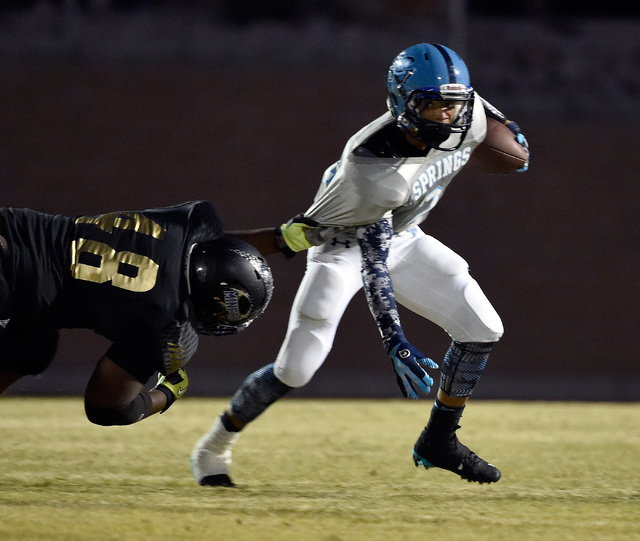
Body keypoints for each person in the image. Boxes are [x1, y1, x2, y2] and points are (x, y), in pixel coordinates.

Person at [191, 43, 530, 486]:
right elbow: (374, 262)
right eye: (432, 107)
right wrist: (395, 339)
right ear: (402, 104)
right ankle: (212, 449)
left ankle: (438, 439)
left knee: (483, 327)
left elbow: (513, 145)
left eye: (454, 106)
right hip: (341, 242)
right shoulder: (371, 169)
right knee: (298, 366)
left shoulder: (470, 116)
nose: (447, 119)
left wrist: (511, 140)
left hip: (405, 237)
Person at [0, 200, 274, 426]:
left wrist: (281, 239)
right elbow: (107, 409)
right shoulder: (166, 325)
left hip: (11, 228)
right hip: (9, 285)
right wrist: (167, 393)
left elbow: (221, 246)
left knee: (32, 348)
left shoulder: (191, 224)